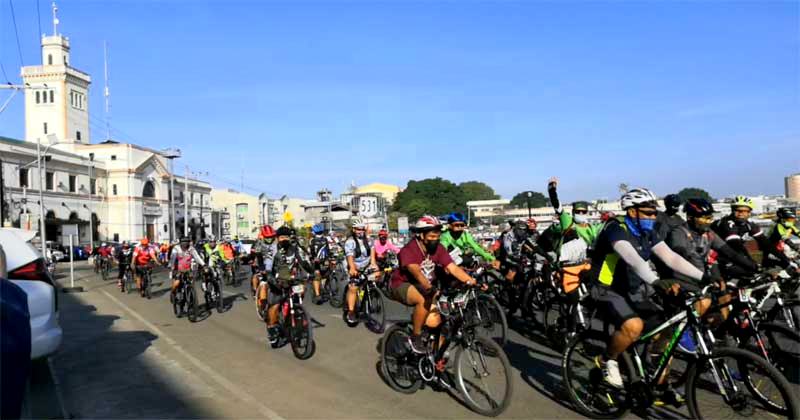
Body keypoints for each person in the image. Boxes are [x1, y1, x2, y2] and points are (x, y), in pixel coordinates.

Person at [589, 188, 714, 388]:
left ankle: (656, 367)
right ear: (632, 212)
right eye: (648, 213)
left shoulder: (647, 232)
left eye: (655, 213)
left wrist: (705, 277)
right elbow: (633, 259)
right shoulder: (615, 228)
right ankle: (606, 359)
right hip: (606, 288)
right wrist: (656, 281)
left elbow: (671, 257)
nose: (653, 217)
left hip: (633, 288)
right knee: (634, 326)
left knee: (667, 326)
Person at [388, 215, 479, 353]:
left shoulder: (439, 248)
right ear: (420, 235)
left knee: (436, 321)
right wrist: (430, 288)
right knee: (423, 298)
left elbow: (452, 267)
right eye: (431, 236)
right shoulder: (409, 250)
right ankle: (416, 336)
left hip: (426, 286)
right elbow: (416, 272)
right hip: (401, 285)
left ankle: (436, 357)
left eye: (437, 236)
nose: (435, 239)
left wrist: (471, 281)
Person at [711, 196, 793, 278]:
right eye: (738, 210)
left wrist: (786, 261)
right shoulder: (727, 223)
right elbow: (737, 246)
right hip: (715, 257)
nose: (741, 214)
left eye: (745, 211)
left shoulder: (749, 225)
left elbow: (766, 244)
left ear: (749, 212)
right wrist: (753, 264)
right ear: (732, 210)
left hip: (732, 255)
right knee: (747, 273)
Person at [261, 226, 314, 347]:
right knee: (274, 305)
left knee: (301, 291)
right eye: (281, 237)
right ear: (277, 238)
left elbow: (303, 262)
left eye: (286, 237)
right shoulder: (272, 250)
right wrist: (272, 280)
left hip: (292, 279)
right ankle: (272, 329)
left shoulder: (294, 249)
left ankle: (296, 315)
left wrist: (312, 272)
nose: (284, 239)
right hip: (277, 281)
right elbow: (268, 268)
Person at [344, 219, 379, 323]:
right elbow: (349, 256)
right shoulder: (350, 242)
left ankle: (371, 295)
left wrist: (373, 263)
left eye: (362, 229)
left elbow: (372, 252)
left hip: (366, 264)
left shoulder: (369, 240)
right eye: (358, 229)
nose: (361, 231)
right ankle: (351, 312)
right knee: (353, 288)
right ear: (354, 230)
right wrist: (352, 268)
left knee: (377, 275)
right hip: (354, 265)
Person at [168, 236, 205, 302]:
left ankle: (191, 295)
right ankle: (172, 293)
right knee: (177, 283)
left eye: (187, 242)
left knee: (191, 283)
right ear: (180, 242)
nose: (185, 243)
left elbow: (197, 257)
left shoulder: (191, 249)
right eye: (183, 242)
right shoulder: (176, 249)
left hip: (188, 269)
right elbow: (173, 258)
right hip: (178, 269)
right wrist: (171, 265)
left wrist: (203, 265)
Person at [251, 225, 278, 296]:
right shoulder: (258, 243)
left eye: (271, 237)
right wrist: (261, 268)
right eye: (267, 237)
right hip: (260, 264)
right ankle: (255, 291)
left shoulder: (277, 242)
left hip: (274, 265)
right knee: (257, 276)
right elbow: (258, 256)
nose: (269, 239)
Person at [308, 224, 331, 304]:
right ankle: (317, 295)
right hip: (318, 261)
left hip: (322, 261)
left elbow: (310, 252)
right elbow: (311, 251)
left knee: (323, 275)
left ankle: (321, 291)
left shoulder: (323, 240)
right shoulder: (317, 240)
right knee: (317, 276)